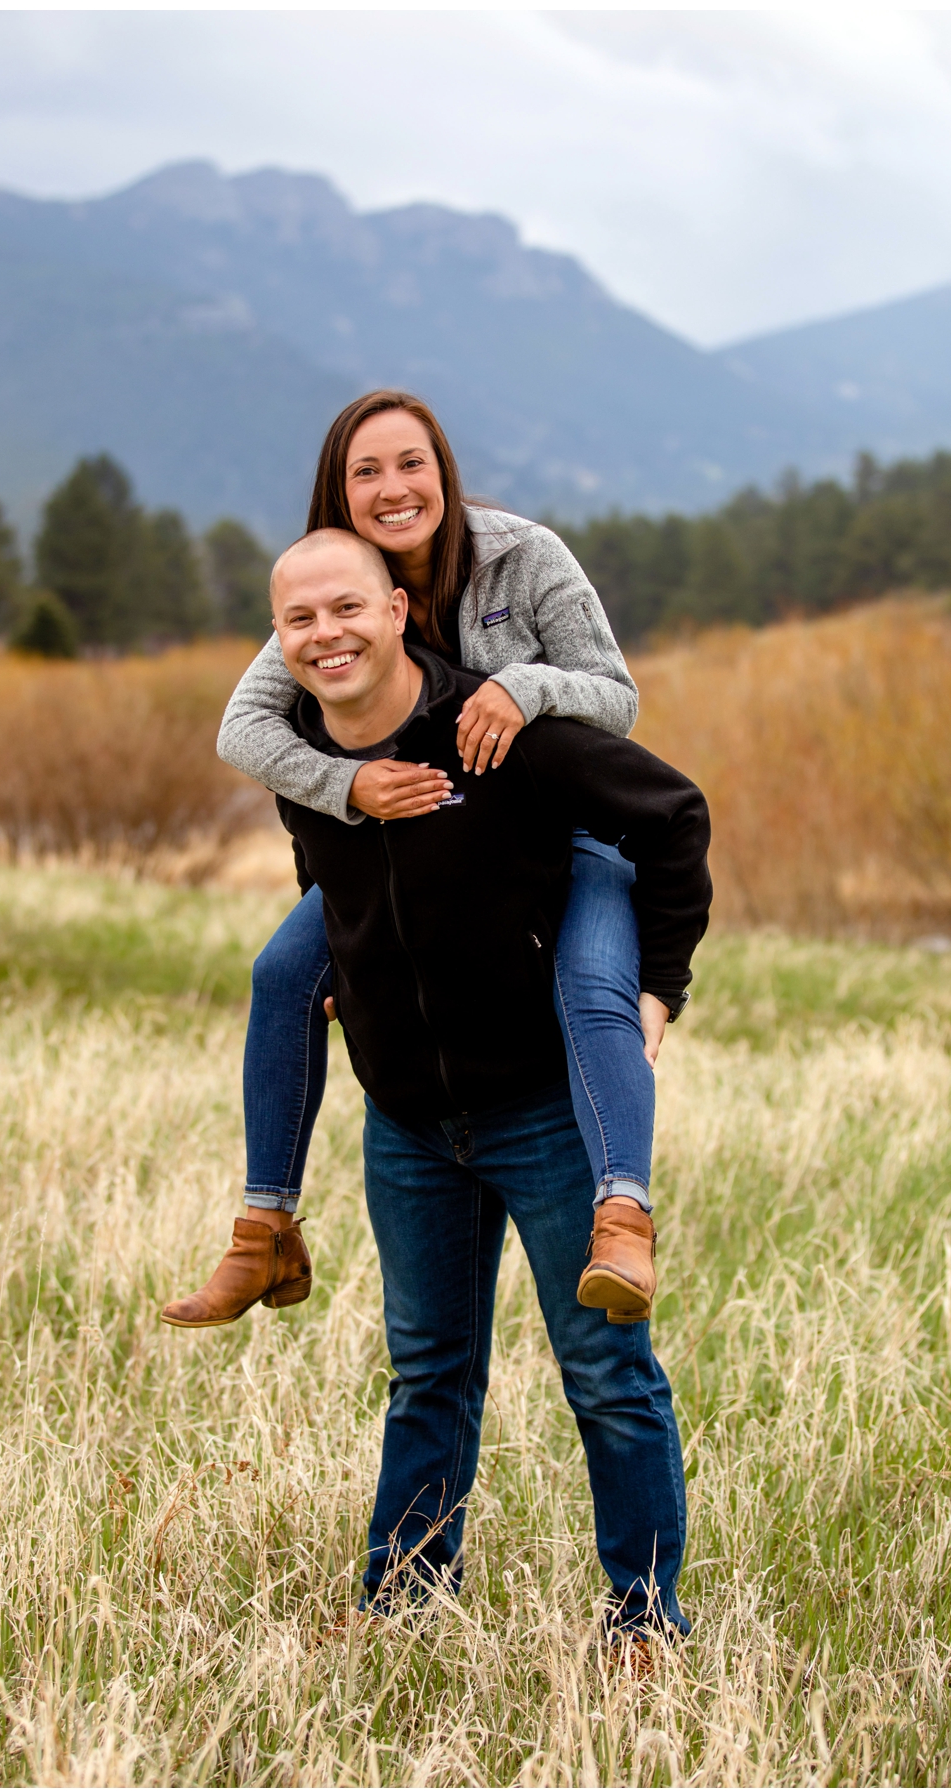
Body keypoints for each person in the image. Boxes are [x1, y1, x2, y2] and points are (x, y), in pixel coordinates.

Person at [256, 525, 708, 1638]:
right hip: (409, 1123)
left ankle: (645, 1621)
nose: (327, 636)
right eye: (300, 620)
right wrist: (354, 982)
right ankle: (405, 1599)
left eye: (347, 610)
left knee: (605, 1371)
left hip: (541, 1113)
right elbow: (330, 883)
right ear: (278, 640)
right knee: (428, 1375)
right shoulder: (303, 757)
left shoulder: (501, 732)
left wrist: (657, 988)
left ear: (399, 609)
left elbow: (675, 815)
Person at [164, 390, 664, 1330]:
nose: (393, 489)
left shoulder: (526, 556)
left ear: (443, 472)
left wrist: (522, 688)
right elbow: (244, 727)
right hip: (414, 840)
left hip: (560, 826)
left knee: (594, 984)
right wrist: (345, 789)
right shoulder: (331, 590)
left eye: (411, 465)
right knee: (280, 974)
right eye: (366, 472)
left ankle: (624, 1214)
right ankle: (265, 1228)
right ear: (339, 493)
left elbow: (617, 699)